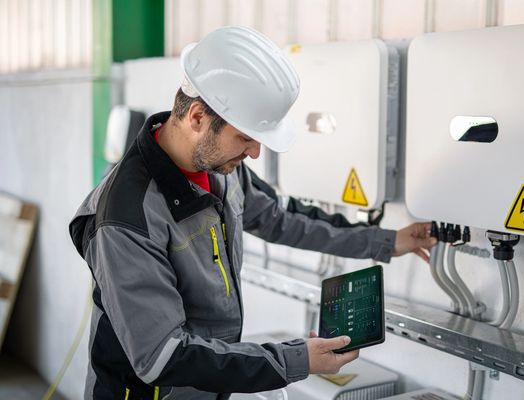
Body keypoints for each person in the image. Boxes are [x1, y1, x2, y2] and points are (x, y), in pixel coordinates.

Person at [69, 26, 436, 400]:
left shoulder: (220, 168)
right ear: (197, 117)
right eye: (246, 137)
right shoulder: (125, 218)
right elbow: (164, 356)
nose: (256, 153)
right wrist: (295, 359)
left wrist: (387, 241)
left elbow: (281, 218)